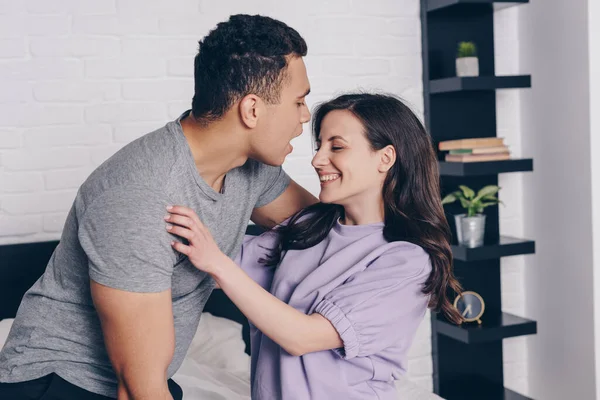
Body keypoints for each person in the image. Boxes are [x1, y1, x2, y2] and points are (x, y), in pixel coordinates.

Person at [0, 14, 316, 400]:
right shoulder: (141, 196)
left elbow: (325, 232)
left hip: (140, 379)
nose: (305, 117)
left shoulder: (252, 169)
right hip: (54, 383)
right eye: (299, 101)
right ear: (252, 110)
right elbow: (139, 389)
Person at [164, 93, 464, 400]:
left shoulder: (405, 261)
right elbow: (213, 263)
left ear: (385, 158)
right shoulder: (308, 226)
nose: (318, 159)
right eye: (319, 145)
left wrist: (216, 262)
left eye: (336, 146)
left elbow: (301, 337)